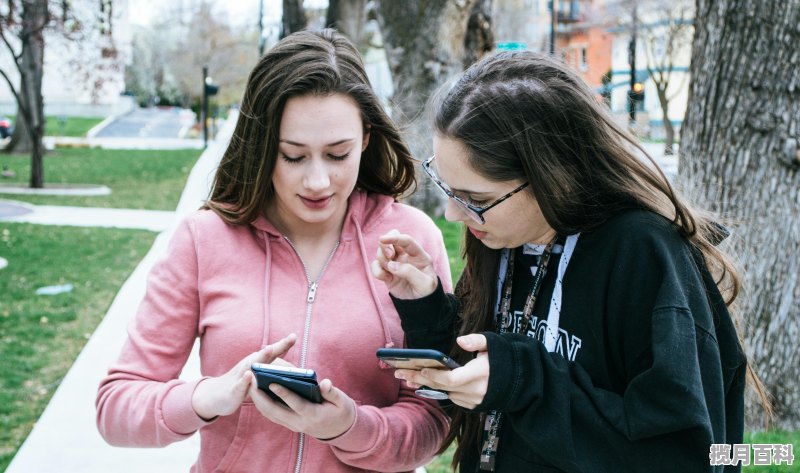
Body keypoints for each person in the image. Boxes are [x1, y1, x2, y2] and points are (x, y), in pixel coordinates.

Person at [373, 51, 767, 472]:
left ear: (551, 174)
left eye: (477, 199)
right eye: (448, 189)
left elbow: (685, 454)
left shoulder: (643, 253)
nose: (455, 215)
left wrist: (525, 381)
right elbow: (489, 366)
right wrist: (428, 304)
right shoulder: (503, 235)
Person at [96, 29, 452, 473]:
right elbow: (115, 408)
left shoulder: (410, 239)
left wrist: (348, 427)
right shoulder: (203, 240)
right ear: (263, 148)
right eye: (294, 156)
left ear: (365, 138)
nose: (318, 181)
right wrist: (208, 397)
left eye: (338, 154)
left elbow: (437, 417)